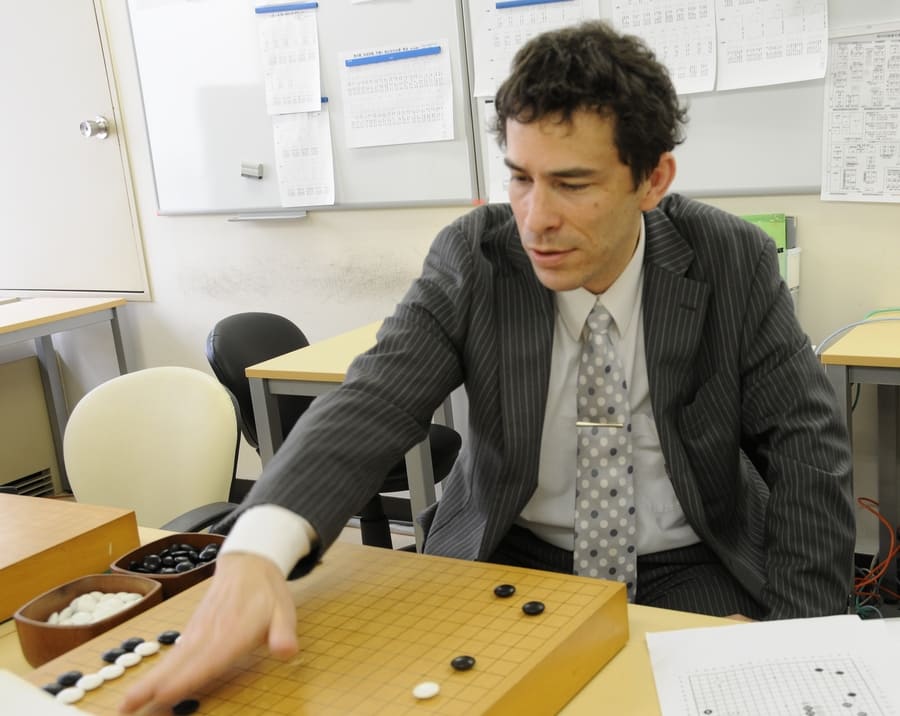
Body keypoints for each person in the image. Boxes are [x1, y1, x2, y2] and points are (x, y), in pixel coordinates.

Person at [121, 20, 854, 712]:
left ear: (653, 180)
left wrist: (802, 636)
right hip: (513, 553)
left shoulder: (731, 258)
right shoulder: (476, 255)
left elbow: (805, 447)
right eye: (520, 178)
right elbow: (374, 401)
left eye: (572, 184)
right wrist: (254, 552)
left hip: (690, 558)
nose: (536, 217)